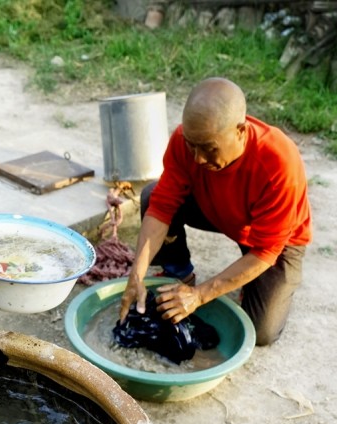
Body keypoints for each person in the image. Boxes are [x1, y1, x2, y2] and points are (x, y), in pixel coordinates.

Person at [119, 77, 312, 347]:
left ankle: (234, 285)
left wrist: (199, 296)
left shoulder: (278, 161)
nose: (198, 158)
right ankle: (179, 275)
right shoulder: (185, 141)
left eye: (209, 148)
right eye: (191, 145)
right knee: (153, 195)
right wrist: (136, 275)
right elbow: (162, 208)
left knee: (261, 332)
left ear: (241, 131)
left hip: (274, 240)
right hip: (218, 209)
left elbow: (266, 251)